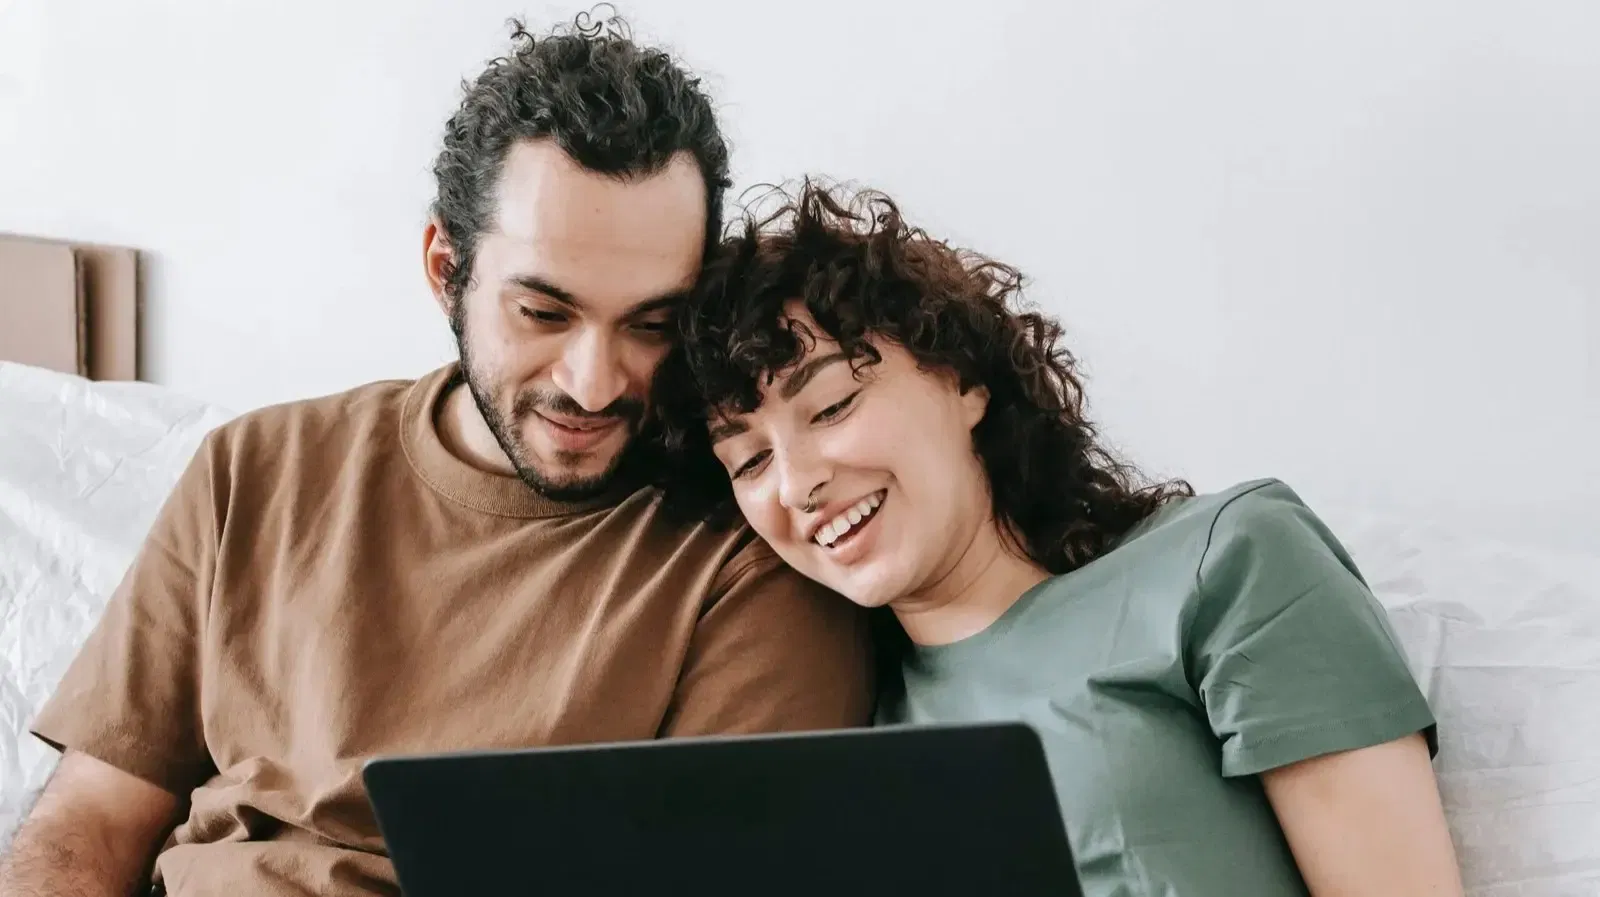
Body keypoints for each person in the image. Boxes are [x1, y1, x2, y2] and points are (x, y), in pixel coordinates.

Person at [0, 16, 873, 897]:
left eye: (651, 325)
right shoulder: (253, 468)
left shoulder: (745, 560)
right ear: (445, 269)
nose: (596, 381)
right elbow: (89, 823)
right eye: (544, 312)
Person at [657, 179, 1466, 897]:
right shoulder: (844, 723)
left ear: (963, 378)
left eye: (831, 406)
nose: (797, 484)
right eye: (750, 458)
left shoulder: (1230, 561)